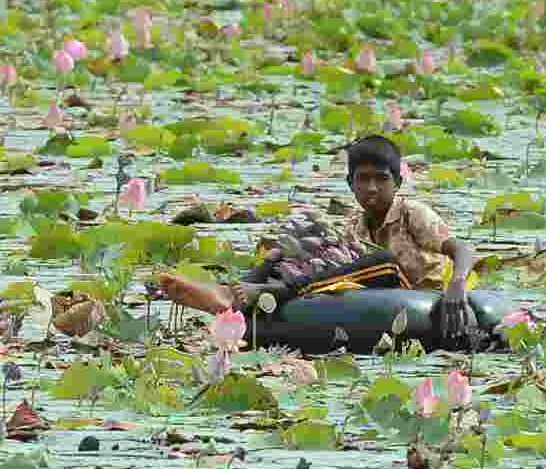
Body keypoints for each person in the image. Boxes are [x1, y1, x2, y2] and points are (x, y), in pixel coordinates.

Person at [158, 135, 477, 340]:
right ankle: (232, 294)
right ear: (349, 183)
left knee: (385, 262)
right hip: (366, 289)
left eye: (381, 179)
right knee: (303, 247)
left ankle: (273, 292)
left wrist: (458, 284)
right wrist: (280, 257)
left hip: (412, 290)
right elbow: (339, 266)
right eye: (362, 180)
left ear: (397, 182)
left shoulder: (413, 213)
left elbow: (462, 248)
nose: (372, 188)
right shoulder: (354, 222)